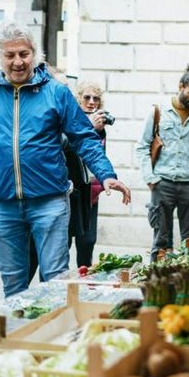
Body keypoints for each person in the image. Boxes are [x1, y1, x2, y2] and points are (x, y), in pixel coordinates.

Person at [0, 21, 131, 297]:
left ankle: (53, 338)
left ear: (34, 54)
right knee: (13, 284)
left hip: (49, 202)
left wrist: (106, 174)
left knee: (55, 281)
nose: (17, 62)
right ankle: (20, 338)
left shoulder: (56, 92)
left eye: (24, 54)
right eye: (10, 55)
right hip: (4, 205)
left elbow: (84, 137)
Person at [136, 63, 189, 262]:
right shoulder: (159, 112)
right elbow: (142, 146)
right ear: (180, 87)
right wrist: (151, 178)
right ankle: (157, 284)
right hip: (163, 183)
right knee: (161, 243)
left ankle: (186, 285)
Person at [67, 81, 108, 267]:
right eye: (87, 97)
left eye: (96, 99)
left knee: (87, 242)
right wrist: (89, 128)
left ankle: (83, 285)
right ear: (79, 99)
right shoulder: (71, 119)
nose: (92, 102)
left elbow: (99, 156)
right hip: (72, 192)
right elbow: (70, 150)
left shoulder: (100, 123)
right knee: (64, 244)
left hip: (91, 194)